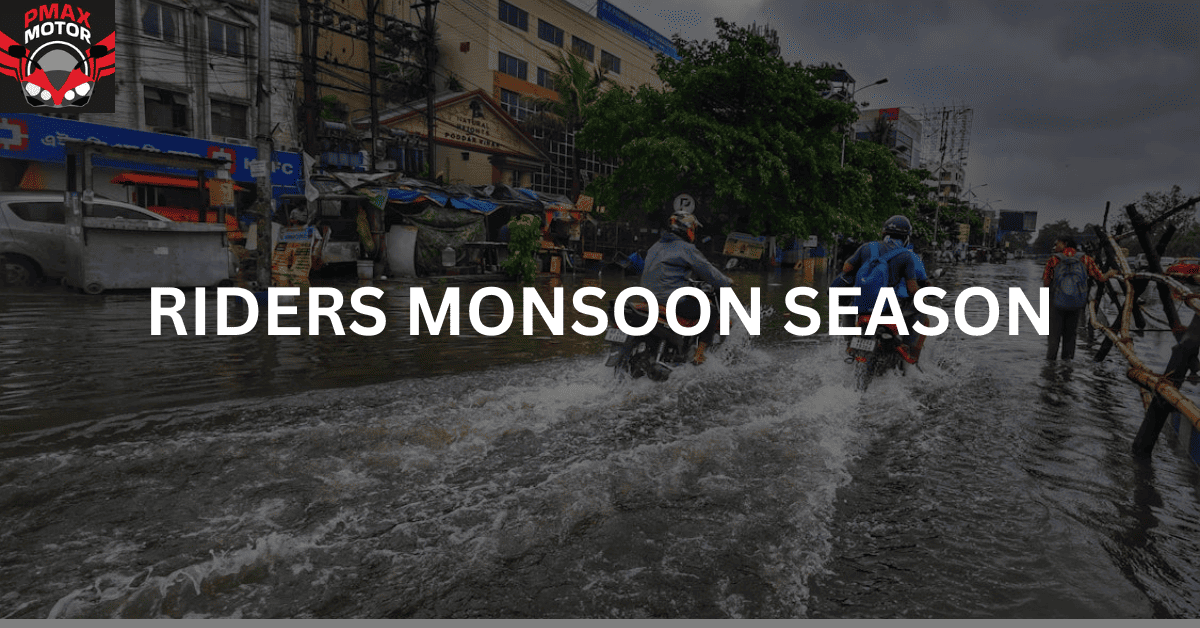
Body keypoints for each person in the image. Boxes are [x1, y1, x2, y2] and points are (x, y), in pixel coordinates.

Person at [641, 210, 734, 365]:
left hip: (649, 298)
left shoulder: (656, 246)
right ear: (688, 228)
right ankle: (699, 356)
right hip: (671, 300)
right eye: (693, 229)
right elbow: (708, 271)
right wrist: (726, 281)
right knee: (710, 311)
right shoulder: (685, 248)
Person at [837, 215, 931, 365]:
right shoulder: (909, 256)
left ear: (884, 234)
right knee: (921, 310)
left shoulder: (867, 247)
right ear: (906, 238)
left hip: (862, 306)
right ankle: (910, 351)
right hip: (889, 307)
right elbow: (913, 288)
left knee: (847, 308)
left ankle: (849, 345)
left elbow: (846, 268)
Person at [1043, 236, 1117, 360]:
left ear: (1065, 244)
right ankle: (1067, 365)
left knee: (1054, 336)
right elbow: (1101, 278)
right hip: (1076, 303)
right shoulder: (1086, 259)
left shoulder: (1054, 260)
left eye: (1058, 244)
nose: (1055, 247)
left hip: (1056, 303)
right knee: (1070, 335)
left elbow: (1046, 283)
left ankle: (1050, 366)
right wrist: (1110, 273)